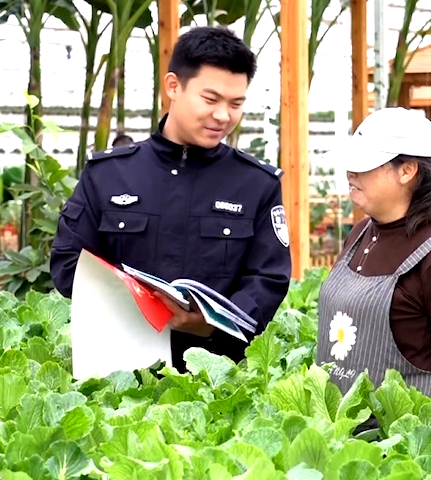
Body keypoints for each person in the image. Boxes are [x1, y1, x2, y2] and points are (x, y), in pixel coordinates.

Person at [50, 26, 292, 373]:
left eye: (236, 103)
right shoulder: (108, 174)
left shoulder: (256, 184)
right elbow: (68, 262)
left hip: (217, 375)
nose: (223, 115)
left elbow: (268, 278)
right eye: (211, 99)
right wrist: (137, 301)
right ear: (174, 87)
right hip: (117, 373)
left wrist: (214, 324)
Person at [317, 107, 431, 414]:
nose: (351, 173)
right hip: (336, 428)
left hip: (403, 436)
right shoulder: (360, 234)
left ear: (407, 171)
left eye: (364, 163)